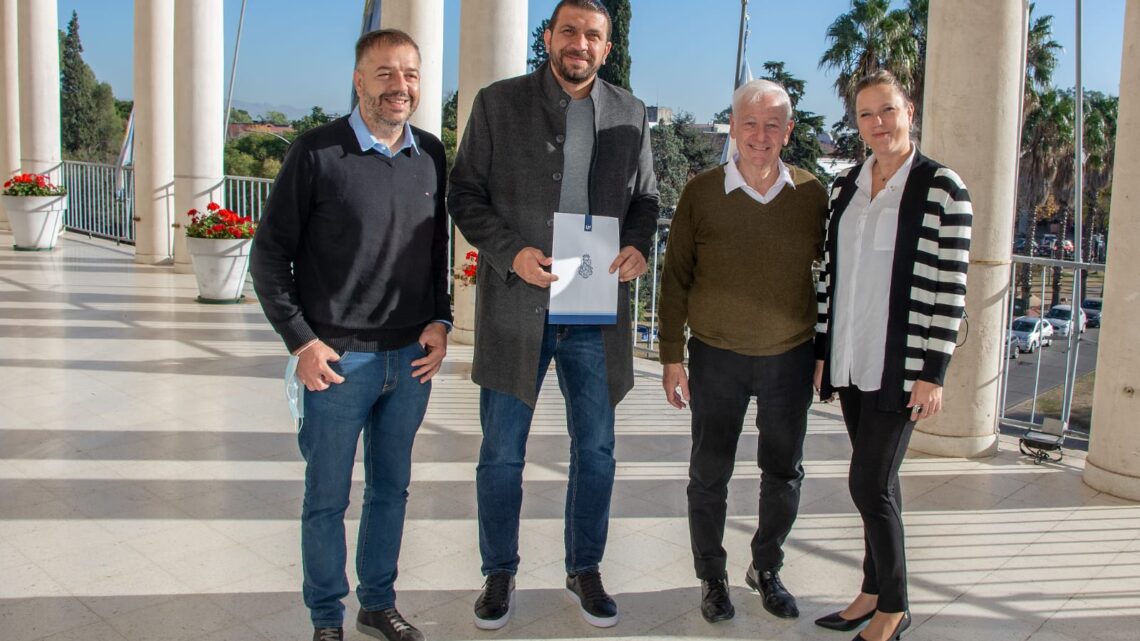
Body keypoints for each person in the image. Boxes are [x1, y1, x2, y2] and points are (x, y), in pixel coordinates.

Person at [447, 0, 658, 630]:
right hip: (519, 304)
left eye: (593, 34)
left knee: (596, 450)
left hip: (594, 309)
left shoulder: (630, 112)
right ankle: (499, 572)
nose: (580, 43)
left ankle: (584, 566)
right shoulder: (497, 102)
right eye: (569, 30)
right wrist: (511, 254)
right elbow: (464, 192)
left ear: (607, 47)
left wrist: (639, 246)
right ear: (548, 36)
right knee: (502, 454)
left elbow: (645, 198)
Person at [250, 29, 450, 641]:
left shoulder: (433, 155)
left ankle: (377, 604)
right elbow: (268, 257)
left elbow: (434, 250)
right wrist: (302, 342)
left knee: (391, 492)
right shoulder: (315, 153)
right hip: (337, 365)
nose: (400, 86)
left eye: (410, 74)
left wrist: (440, 318)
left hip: (408, 363)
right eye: (385, 74)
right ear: (359, 81)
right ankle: (325, 619)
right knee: (327, 500)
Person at [658, 79, 828, 624]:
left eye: (773, 124)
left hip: (790, 358)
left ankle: (766, 567)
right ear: (732, 126)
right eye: (750, 123)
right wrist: (670, 357)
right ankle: (711, 576)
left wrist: (826, 352)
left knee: (784, 472)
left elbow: (835, 280)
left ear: (789, 131)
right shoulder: (702, 192)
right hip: (716, 357)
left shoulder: (813, 195)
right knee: (709, 474)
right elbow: (675, 277)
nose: (760, 136)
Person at [813, 70, 972, 641]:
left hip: (900, 369)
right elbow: (832, 277)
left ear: (910, 111)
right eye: (865, 115)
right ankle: (871, 590)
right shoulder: (846, 187)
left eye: (888, 111)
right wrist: (823, 350)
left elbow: (951, 288)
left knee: (869, 483)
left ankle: (895, 607)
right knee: (883, 483)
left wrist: (934, 372)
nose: (878, 124)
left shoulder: (941, 188)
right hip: (853, 359)